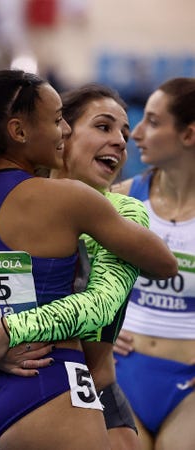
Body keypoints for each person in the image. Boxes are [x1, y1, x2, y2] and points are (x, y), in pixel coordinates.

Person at [0, 67, 177, 450]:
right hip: (51, 384)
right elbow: (162, 265)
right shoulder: (72, 201)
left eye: (124, 135)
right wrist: (4, 334)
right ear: (19, 132)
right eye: (58, 120)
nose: (62, 130)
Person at [113, 77, 195, 450]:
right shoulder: (122, 199)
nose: (137, 132)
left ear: (189, 134)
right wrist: (92, 331)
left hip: (188, 386)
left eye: (153, 121)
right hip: (123, 374)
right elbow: (65, 271)